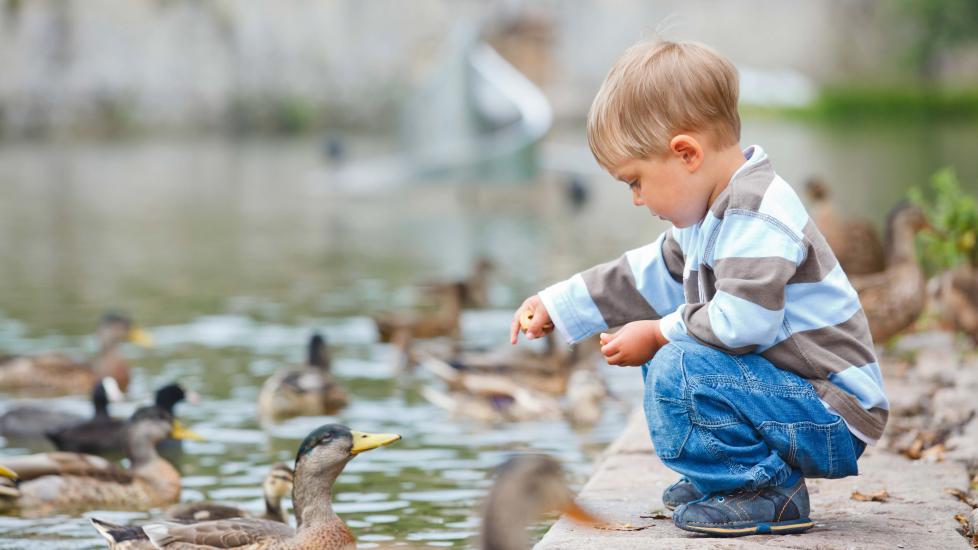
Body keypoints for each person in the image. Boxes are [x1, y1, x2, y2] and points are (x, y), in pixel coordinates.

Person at [509, 39, 886, 537]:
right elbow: (643, 276)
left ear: (685, 153)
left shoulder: (756, 213)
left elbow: (744, 324)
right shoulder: (708, 218)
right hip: (792, 398)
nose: (637, 200)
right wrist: (560, 302)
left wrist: (659, 333)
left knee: (677, 359)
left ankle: (763, 489)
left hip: (831, 410)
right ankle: (729, 474)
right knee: (665, 350)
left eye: (635, 182)